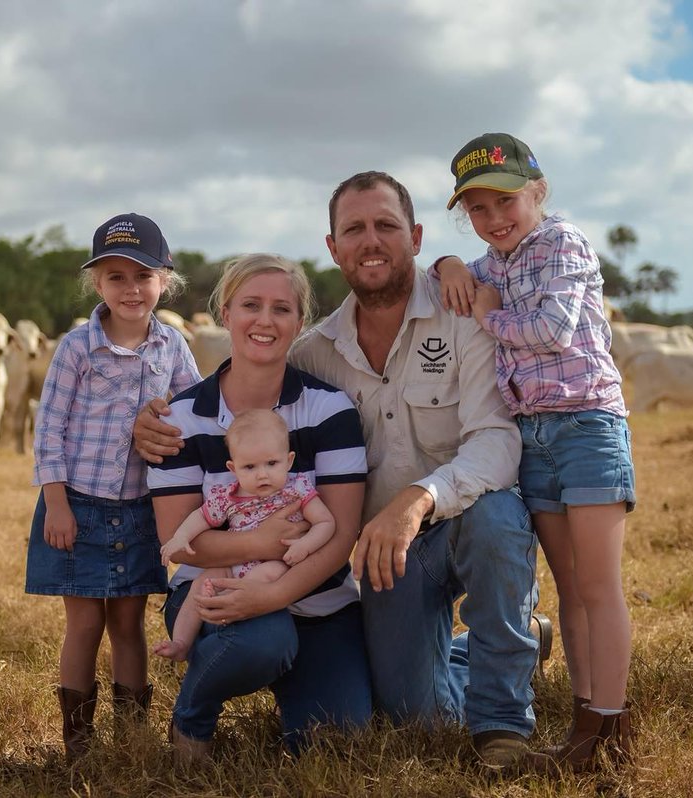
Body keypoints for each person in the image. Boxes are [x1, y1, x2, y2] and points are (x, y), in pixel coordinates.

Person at [284, 170, 542, 769]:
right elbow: (247, 426)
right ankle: (503, 643)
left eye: (386, 225)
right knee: (414, 719)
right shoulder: (314, 355)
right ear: (332, 248)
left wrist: (419, 498)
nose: (370, 240)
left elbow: (497, 442)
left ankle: (502, 723)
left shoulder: (465, 313)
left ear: (417, 236)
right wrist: (159, 415)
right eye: (354, 229)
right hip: (387, 557)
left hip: (464, 522)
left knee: (499, 514)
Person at [432, 132, 636, 772]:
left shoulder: (562, 243)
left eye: (506, 202)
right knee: (570, 589)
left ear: (538, 191)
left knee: (600, 586)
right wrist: (447, 264)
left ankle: (613, 724)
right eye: (477, 210)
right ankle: (584, 725)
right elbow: (456, 281)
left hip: (586, 427)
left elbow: (553, 329)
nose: (493, 220)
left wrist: (489, 313)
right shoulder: (493, 261)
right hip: (533, 437)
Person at [137, 253, 371, 760]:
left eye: (281, 309)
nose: (265, 320)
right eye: (250, 305)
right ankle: (192, 718)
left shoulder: (330, 410)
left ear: (299, 322)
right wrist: (259, 544)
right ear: (225, 312)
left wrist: (276, 593)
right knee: (261, 644)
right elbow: (182, 540)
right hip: (215, 586)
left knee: (336, 742)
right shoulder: (181, 418)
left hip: (318, 597)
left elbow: (341, 533)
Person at [24, 212, 202, 762]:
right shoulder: (78, 348)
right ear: (97, 283)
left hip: (140, 508)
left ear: (164, 281)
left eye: (143, 276)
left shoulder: (171, 346)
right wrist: (56, 504)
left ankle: (132, 733)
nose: (131, 288)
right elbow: (49, 427)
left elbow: (195, 408)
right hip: (78, 504)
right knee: (83, 623)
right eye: (116, 277)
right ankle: (77, 739)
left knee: (127, 621)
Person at [153, 408, 336, 662]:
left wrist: (305, 544)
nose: (262, 474)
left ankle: (229, 605)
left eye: (272, 463)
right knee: (201, 583)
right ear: (233, 467)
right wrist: (181, 536)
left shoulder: (297, 490)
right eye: (249, 466)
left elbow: (326, 523)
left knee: (269, 573)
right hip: (233, 564)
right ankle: (181, 642)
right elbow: (202, 517)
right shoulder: (228, 496)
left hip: (277, 564)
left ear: (289, 460)